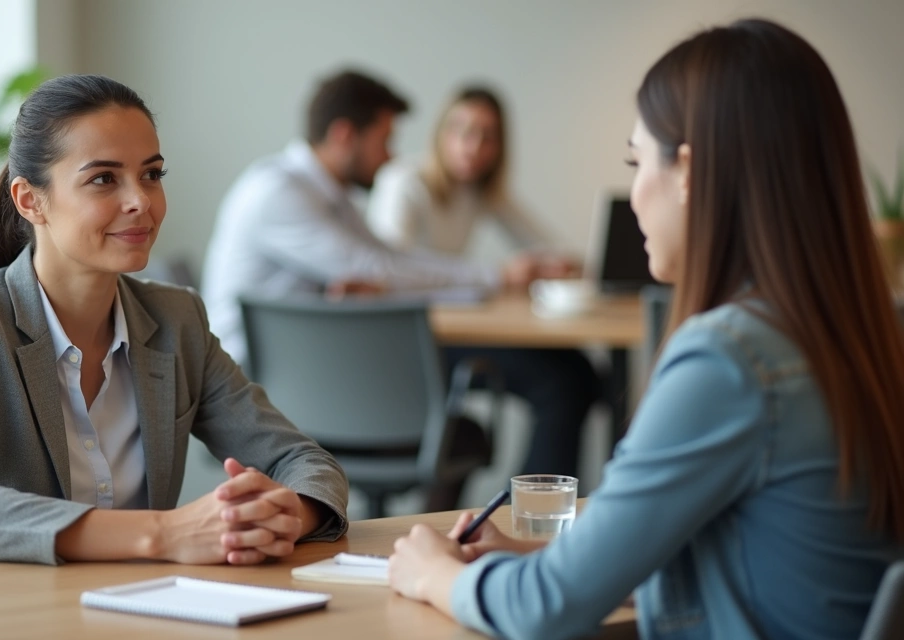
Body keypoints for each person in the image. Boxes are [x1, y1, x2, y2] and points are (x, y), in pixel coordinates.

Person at [386, 18, 904, 640]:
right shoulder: (855, 334)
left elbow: (544, 612)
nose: (633, 197)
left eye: (637, 161)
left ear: (688, 170)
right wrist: (532, 560)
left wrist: (432, 573)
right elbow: (735, 555)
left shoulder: (730, 362)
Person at [0, 75, 348, 567]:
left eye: (151, 174)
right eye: (104, 179)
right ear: (30, 200)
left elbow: (305, 462)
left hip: (126, 609)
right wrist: (164, 534)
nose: (141, 201)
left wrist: (280, 517)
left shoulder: (178, 321)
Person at [368, 86, 598, 480]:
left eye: (487, 136)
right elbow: (389, 275)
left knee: (579, 371)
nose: (472, 146)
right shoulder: (404, 182)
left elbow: (544, 243)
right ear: (440, 134)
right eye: (462, 130)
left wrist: (570, 264)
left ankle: (539, 508)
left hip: (450, 332)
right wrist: (501, 275)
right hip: (409, 344)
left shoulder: (478, 192)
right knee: (564, 382)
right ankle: (533, 513)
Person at [201, 70, 503, 368]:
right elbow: (378, 269)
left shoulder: (334, 198)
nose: (390, 157)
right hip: (253, 383)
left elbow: (388, 256)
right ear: (344, 135)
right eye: (384, 142)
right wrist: (494, 277)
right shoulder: (276, 191)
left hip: (306, 363)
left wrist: (484, 278)